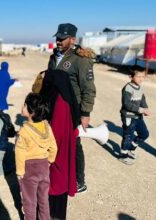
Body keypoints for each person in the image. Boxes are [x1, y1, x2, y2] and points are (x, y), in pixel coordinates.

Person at [46, 23, 96, 193]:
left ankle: (79, 180)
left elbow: (88, 89)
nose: (58, 41)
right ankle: (59, 175)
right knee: (55, 143)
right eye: (57, 38)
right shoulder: (54, 57)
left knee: (74, 144)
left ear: (72, 39)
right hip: (53, 109)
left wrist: (85, 113)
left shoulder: (80, 60)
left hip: (72, 110)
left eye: (62, 38)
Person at [40, 68, 80, 220]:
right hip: (65, 147)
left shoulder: (59, 101)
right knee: (61, 182)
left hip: (57, 151)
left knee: (55, 184)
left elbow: (55, 133)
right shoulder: (66, 96)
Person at [15, 93, 57, 220]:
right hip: (44, 167)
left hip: (29, 169)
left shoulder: (24, 131)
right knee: (44, 200)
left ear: (31, 112)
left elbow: (20, 151)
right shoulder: (47, 127)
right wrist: (50, 160)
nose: (22, 107)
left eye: (25, 105)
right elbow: (53, 147)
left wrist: (20, 171)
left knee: (29, 201)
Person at [119, 67, 150, 165]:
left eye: (143, 76)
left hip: (138, 116)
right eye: (138, 76)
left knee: (144, 134)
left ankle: (131, 149)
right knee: (128, 136)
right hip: (128, 116)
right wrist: (140, 110)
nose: (141, 79)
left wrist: (145, 108)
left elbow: (142, 99)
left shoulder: (140, 87)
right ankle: (123, 155)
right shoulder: (127, 88)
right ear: (131, 76)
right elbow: (126, 104)